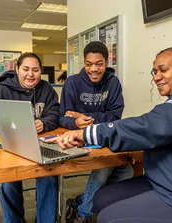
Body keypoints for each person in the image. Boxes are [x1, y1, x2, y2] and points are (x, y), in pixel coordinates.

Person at [46, 47, 172, 223]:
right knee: (102, 197)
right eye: (154, 72)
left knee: (108, 216)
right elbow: (152, 128)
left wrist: (88, 132)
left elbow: (150, 125)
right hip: (169, 182)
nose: (156, 77)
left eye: (163, 70)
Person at [59, 41, 133, 223]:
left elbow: (115, 116)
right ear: (84, 63)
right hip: (77, 140)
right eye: (88, 64)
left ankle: (81, 202)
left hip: (103, 137)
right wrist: (75, 121)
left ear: (106, 63)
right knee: (105, 166)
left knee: (127, 171)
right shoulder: (72, 83)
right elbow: (62, 117)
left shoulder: (113, 83)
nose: (93, 69)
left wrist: (84, 117)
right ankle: (83, 216)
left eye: (99, 64)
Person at [0, 52, 60, 223]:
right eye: (26, 69)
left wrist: (44, 123)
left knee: (49, 174)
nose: (30, 74)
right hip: (11, 147)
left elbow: (55, 113)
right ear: (17, 69)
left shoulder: (46, 89)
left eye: (35, 70)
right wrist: (4, 125)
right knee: (8, 181)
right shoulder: (2, 90)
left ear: (41, 71)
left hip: (40, 145)